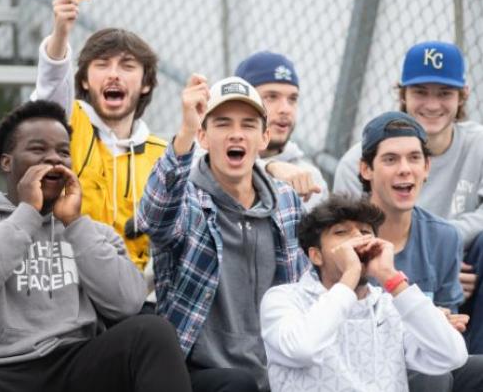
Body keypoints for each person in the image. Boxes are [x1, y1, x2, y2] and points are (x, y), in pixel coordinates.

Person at [0, 101, 191, 392]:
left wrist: (76, 225)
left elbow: (127, 304)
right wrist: (28, 212)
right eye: (38, 150)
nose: (53, 159)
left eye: (63, 152)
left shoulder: (91, 231)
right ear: (6, 162)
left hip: (74, 362)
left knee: (152, 332)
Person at [138, 75, 311, 392]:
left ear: (264, 138)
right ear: (203, 136)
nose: (236, 135)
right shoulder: (187, 200)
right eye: (222, 124)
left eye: (248, 125)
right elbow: (153, 217)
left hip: (276, 373)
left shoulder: (286, 204)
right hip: (196, 374)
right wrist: (185, 131)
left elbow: (306, 289)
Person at [333, 41, 483, 352]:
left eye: (444, 93)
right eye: (420, 92)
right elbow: (345, 236)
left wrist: (446, 246)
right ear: (403, 95)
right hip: (384, 268)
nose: (432, 104)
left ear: (462, 97)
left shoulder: (477, 144)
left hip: (455, 261)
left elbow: (441, 240)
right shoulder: (356, 161)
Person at [260, 195, 468, 392]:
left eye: (366, 232)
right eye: (341, 232)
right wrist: (350, 275)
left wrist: (390, 277)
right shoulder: (284, 299)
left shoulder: (390, 304)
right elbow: (302, 349)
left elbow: (452, 355)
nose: (358, 239)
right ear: (316, 255)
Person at [32, 0, 166, 271]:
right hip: (65, 282)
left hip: (134, 290)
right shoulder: (68, 122)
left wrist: (272, 167)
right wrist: (61, 32)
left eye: (128, 66)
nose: (114, 75)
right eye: (102, 65)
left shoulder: (163, 156)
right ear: (83, 80)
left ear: (145, 84)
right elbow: (51, 85)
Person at [358, 111, 463, 311]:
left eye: (414, 158)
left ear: (427, 167)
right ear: (366, 169)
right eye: (390, 159)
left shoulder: (445, 239)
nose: (405, 169)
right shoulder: (340, 235)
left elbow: (449, 329)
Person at [235, 51, 328, 209]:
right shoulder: (203, 155)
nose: (285, 109)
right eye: (271, 97)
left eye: (292, 99)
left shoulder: (311, 179)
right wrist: (270, 167)